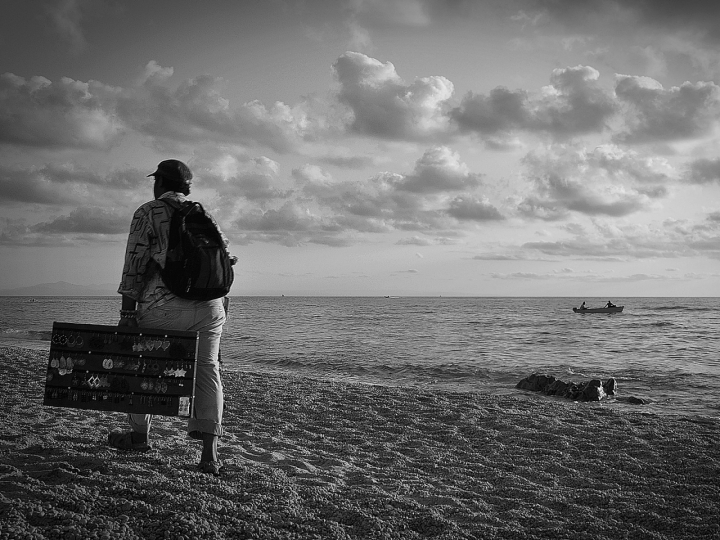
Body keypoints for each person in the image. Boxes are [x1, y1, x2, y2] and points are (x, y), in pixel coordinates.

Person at [111, 159, 232, 476]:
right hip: (210, 306)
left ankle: (139, 438)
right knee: (207, 371)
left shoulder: (148, 211)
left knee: (142, 370)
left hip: (163, 306)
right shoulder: (202, 214)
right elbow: (227, 257)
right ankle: (209, 456)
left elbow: (134, 264)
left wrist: (127, 312)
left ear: (160, 183)